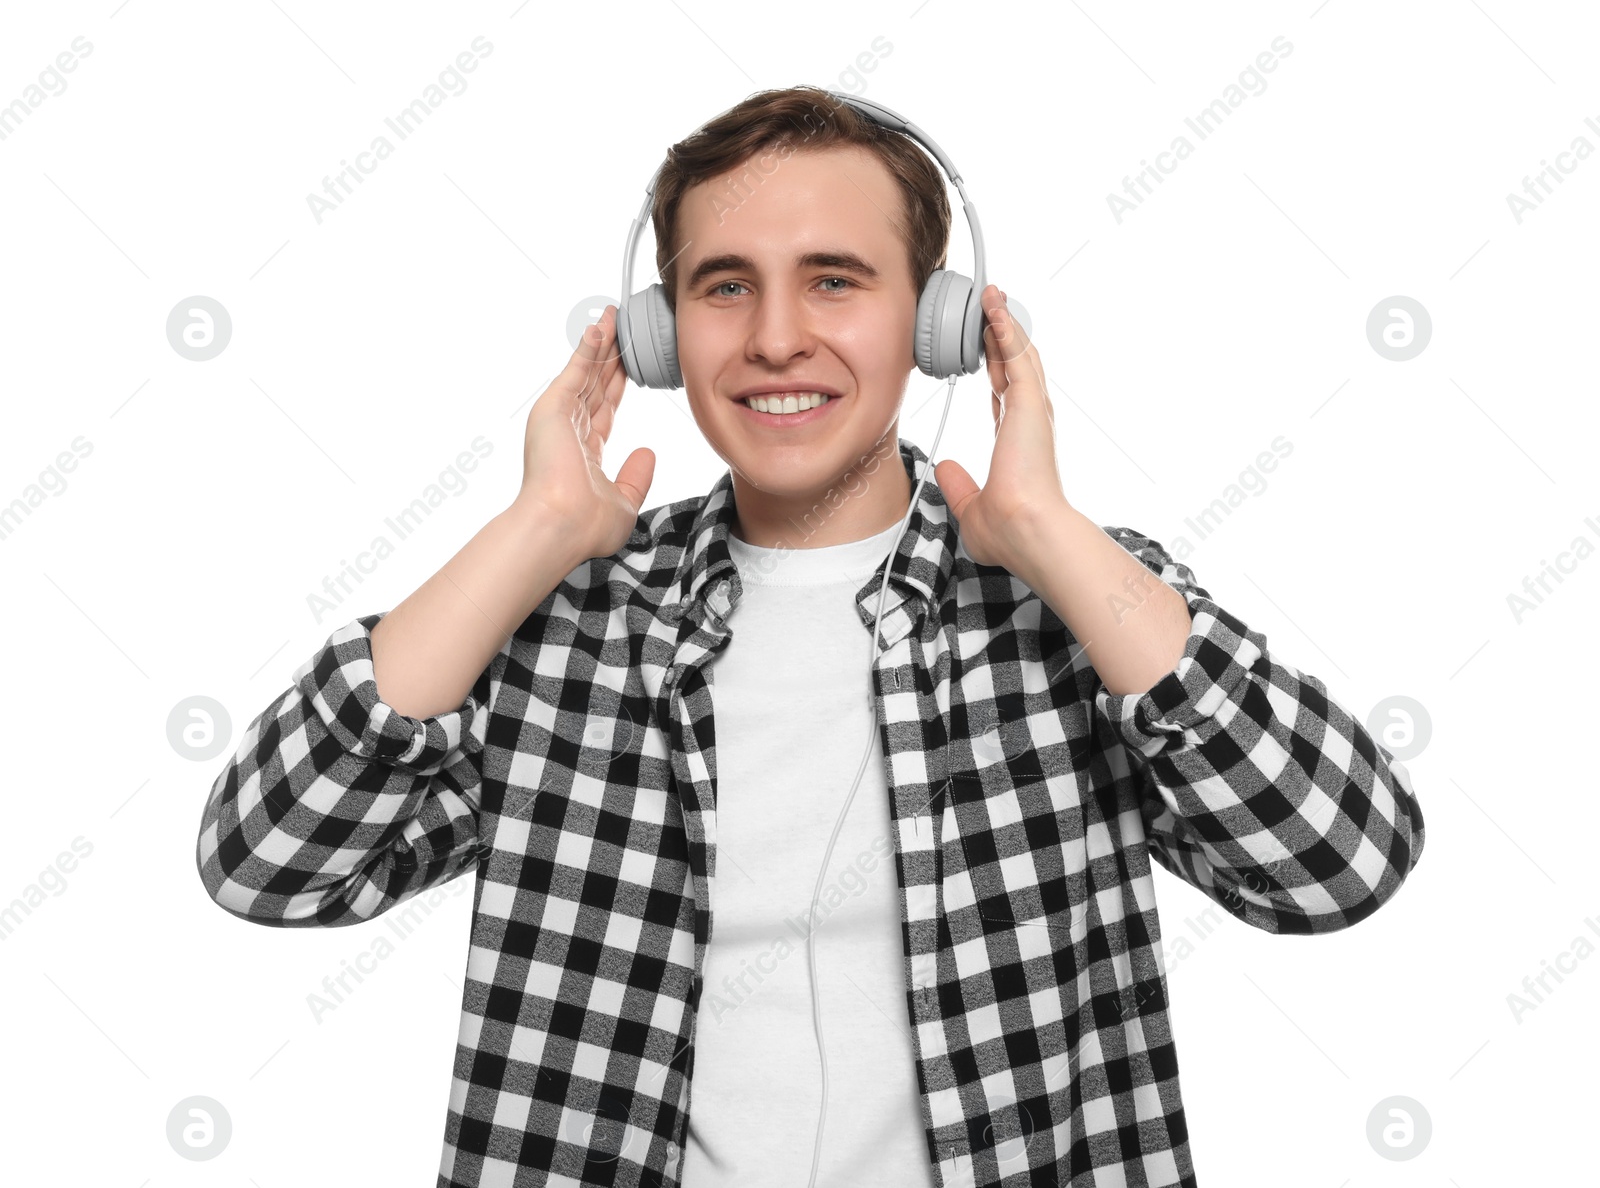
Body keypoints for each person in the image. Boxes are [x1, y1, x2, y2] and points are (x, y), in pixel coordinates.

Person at [195, 86, 1426, 1188]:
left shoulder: (1089, 603)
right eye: (725, 285)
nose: (777, 335)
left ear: (940, 322)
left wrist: (1049, 530)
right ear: (663, 333)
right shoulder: (563, 624)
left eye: (834, 278)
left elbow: (1340, 865)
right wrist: (533, 530)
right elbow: (267, 866)